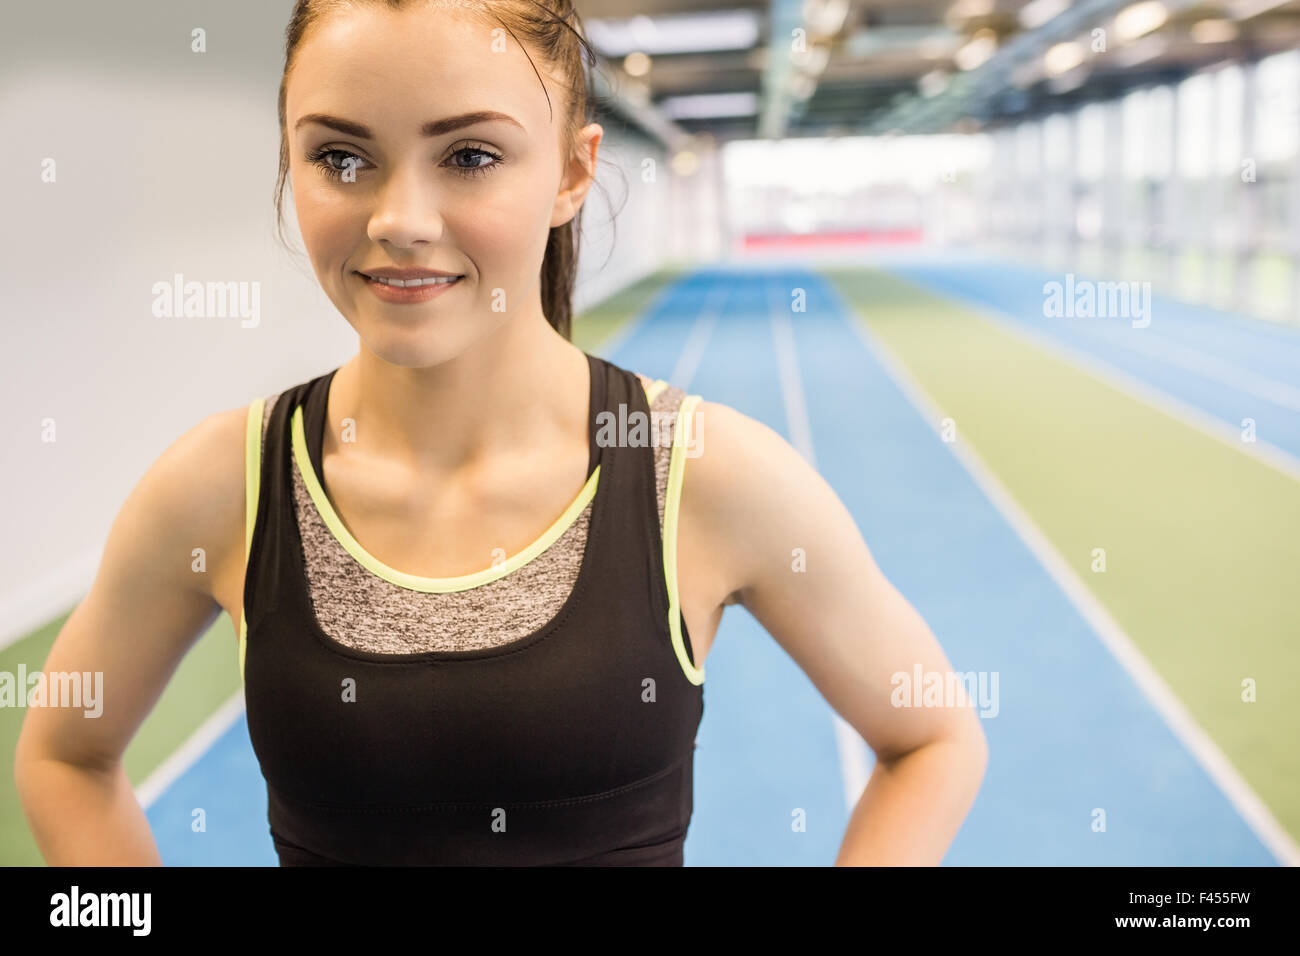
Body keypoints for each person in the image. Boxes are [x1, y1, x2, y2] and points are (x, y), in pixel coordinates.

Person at [14, 0, 987, 866]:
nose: (399, 218)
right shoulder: (222, 484)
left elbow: (933, 738)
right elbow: (63, 754)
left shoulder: (704, 475)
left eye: (469, 156)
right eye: (340, 156)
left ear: (572, 172)